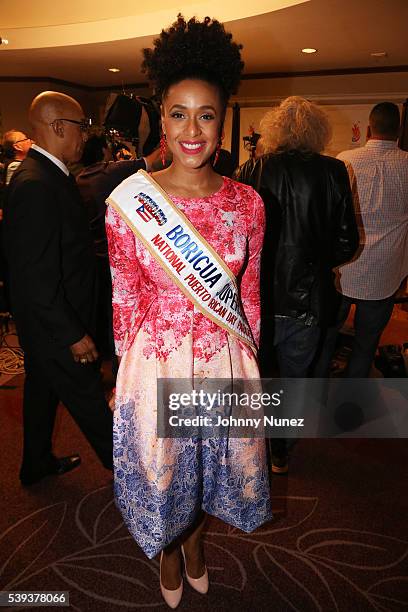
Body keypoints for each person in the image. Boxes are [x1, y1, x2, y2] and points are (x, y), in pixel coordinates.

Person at [106, 15, 272, 608]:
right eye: (179, 113)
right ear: (162, 117)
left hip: (223, 355)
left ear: (224, 117)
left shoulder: (248, 202)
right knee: (167, 469)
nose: (193, 129)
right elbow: (126, 293)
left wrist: (252, 363)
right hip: (157, 362)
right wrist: (122, 374)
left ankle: (196, 545)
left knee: (212, 468)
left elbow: (249, 294)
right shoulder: (132, 201)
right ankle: (170, 553)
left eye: (207, 114)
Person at [237, 96, 359, 471]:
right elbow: (347, 242)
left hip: (256, 297)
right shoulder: (334, 171)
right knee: (294, 377)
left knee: (253, 376)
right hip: (307, 300)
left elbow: (235, 236)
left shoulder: (250, 169)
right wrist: (317, 264)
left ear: (275, 128)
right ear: (317, 131)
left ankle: (246, 446)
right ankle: (280, 451)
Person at [2, 91, 113, 486]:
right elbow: (34, 275)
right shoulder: (36, 183)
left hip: (46, 322)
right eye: (81, 127)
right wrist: (72, 333)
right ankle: (140, 477)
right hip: (56, 327)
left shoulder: (48, 175)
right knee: (91, 402)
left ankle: (35, 463)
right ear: (58, 127)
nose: (85, 136)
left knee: (42, 390)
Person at [314, 102, 408, 377]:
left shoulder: (346, 160)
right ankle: (353, 407)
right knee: (365, 346)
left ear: (368, 129)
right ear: (399, 130)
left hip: (344, 269)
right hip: (385, 271)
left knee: (327, 340)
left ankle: (312, 401)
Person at [76, 134, 160, 364]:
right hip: (115, 257)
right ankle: (119, 364)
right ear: (104, 150)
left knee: (103, 316)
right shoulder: (109, 172)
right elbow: (150, 161)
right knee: (121, 311)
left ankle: (106, 358)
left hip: (91, 259)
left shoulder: (78, 178)